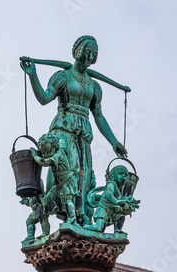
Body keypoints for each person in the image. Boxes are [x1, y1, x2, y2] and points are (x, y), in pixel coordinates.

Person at [20, 35, 127, 225]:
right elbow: (44, 99)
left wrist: (114, 142)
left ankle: (80, 213)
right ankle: (60, 208)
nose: (89, 57)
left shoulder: (94, 86)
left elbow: (99, 118)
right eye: (87, 52)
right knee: (67, 171)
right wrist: (32, 75)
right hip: (63, 128)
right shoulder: (63, 76)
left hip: (83, 132)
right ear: (78, 52)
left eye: (93, 54)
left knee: (83, 173)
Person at [31, 133, 78, 225]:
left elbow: (44, 162)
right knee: (56, 196)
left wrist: (34, 156)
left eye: (48, 150)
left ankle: (73, 218)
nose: (47, 154)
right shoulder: (60, 150)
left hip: (67, 181)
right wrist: (62, 137)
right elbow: (62, 144)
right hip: (60, 182)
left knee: (67, 200)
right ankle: (43, 202)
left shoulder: (58, 155)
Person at [85, 165, 140, 233]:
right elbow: (108, 194)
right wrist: (117, 201)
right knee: (99, 229)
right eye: (120, 174)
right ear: (113, 176)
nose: (123, 176)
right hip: (103, 210)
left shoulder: (118, 189)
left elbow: (103, 196)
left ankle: (117, 229)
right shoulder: (111, 184)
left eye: (125, 175)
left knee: (121, 215)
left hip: (110, 212)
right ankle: (85, 227)